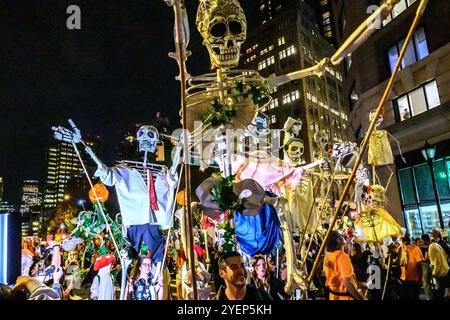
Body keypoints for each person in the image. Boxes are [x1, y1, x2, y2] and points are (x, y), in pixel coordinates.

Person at [323, 231, 366, 300]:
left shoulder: (328, 256)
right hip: (344, 297)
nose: (343, 236)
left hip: (333, 296)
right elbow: (348, 283)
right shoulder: (342, 256)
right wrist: (361, 298)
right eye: (341, 235)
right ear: (339, 240)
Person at [399, 234, 423, 300]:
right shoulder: (402, 249)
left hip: (411, 278)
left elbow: (419, 264)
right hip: (408, 278)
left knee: (413, 296)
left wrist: (420, 278)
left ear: (405, 242)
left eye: (400, 241)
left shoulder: (414, 248)